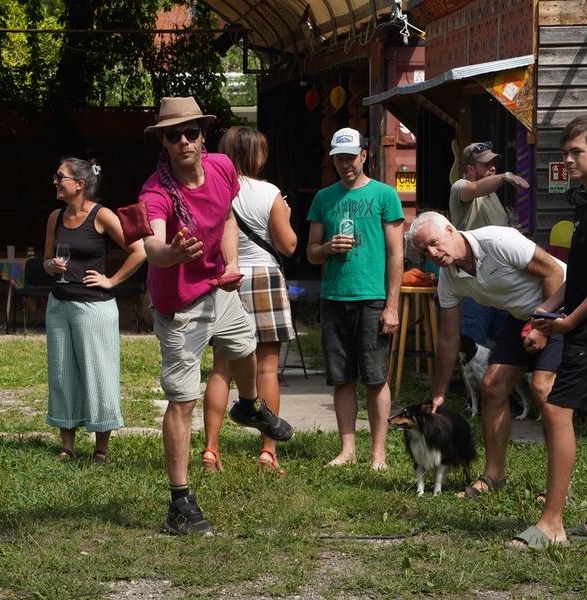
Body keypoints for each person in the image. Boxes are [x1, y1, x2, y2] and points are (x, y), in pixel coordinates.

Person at [134, 97, 293, 537]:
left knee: (244, 346)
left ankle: (248, 406)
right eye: (173, 135)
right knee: (182, 400)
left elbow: (226, 218)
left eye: (191, 132)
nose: (183, 141)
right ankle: (180, 502)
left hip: (219, 290)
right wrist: (172, 253)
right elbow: (152, 246)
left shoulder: (222, 167)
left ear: (203, 135)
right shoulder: (156, 192)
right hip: (180, 306)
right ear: (163, 142)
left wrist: (229, 263)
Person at [509, 115, 587, 550]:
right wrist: (546, 311)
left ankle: (551, 525)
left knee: (558, 410)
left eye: (576, 152)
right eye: (565, 152)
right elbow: (578, 276)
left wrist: (571, 321)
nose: (568, 160)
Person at [407, 212, 566, 498]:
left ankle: (559, 489)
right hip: (523, 315)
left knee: (542, 389)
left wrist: (542, 327)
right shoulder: (449, 278)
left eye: (433, 242)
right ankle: (493, 477)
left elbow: (553, 272)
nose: (432, 253)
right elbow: (449, 338)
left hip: (563, 303)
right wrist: (439, 393)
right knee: (492, 386)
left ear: (450, 230)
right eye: (424, 251)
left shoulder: (498, 241)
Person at [306, 127, 404, 470]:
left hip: (373, 297)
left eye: (350, 157)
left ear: (364, 155)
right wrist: (327, 247)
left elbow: (396, 254)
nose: (345, 164)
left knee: (376, 378)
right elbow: (311, 253)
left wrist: (392, 305)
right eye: (339, 159)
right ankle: (347, 450)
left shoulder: (385, 195)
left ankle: (379, 453)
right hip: (334, 296)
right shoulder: (323, 198)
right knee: (341, 377)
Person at [201, 126, 297, 475]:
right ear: (257, 155)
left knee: (222, 370)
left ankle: (210, 450)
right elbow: (288, 246)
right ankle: (268, 452)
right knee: (266, 369)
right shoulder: (269, 192)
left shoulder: (213, 190)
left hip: (228, 280)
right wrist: (285, 217)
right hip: (264, 278)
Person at [43, 157, 146, 464]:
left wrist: (111, 280)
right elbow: (46, 260)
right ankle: (68, 447)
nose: (55, 181)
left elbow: (140, 250)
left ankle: (102, 449)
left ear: (79, 184)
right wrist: (51, 265)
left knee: (99, 374)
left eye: (60, 176)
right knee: (62, 374)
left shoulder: (102, 215)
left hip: (94, 308)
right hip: (59, 304)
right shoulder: (55, 217)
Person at [449, 142, 530, 347]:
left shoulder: (492, 194)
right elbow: (475, 188)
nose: (492, 168)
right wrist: (506, 176)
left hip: (502, 283)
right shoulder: (460, 187)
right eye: (486, 164)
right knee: (475, 349)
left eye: (493, 163)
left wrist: (512, 233)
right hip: (476, 285)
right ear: (470, 168)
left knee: (503, 347)